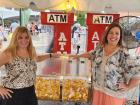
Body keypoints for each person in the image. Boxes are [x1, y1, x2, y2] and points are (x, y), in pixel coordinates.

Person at [69, 23, 140, 105]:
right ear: (107, 34)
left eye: (117, 33)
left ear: (120, 36)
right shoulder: (100, 48)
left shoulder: (123, 53)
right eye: (111, 32)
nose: (113, 36)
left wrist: (128, 86)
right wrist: (76, 56)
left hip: (113, 95)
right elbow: (91, 54)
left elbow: (138, 70)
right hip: (97, 90)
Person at [0, 26, 60, 105]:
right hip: (13, 94)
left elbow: (37, 58)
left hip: (30, 92)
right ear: (15, 39)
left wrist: (50, 55)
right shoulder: (8, 53)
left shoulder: (31, 49)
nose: (24, 40)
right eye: (20, 38)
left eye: (26, 37)